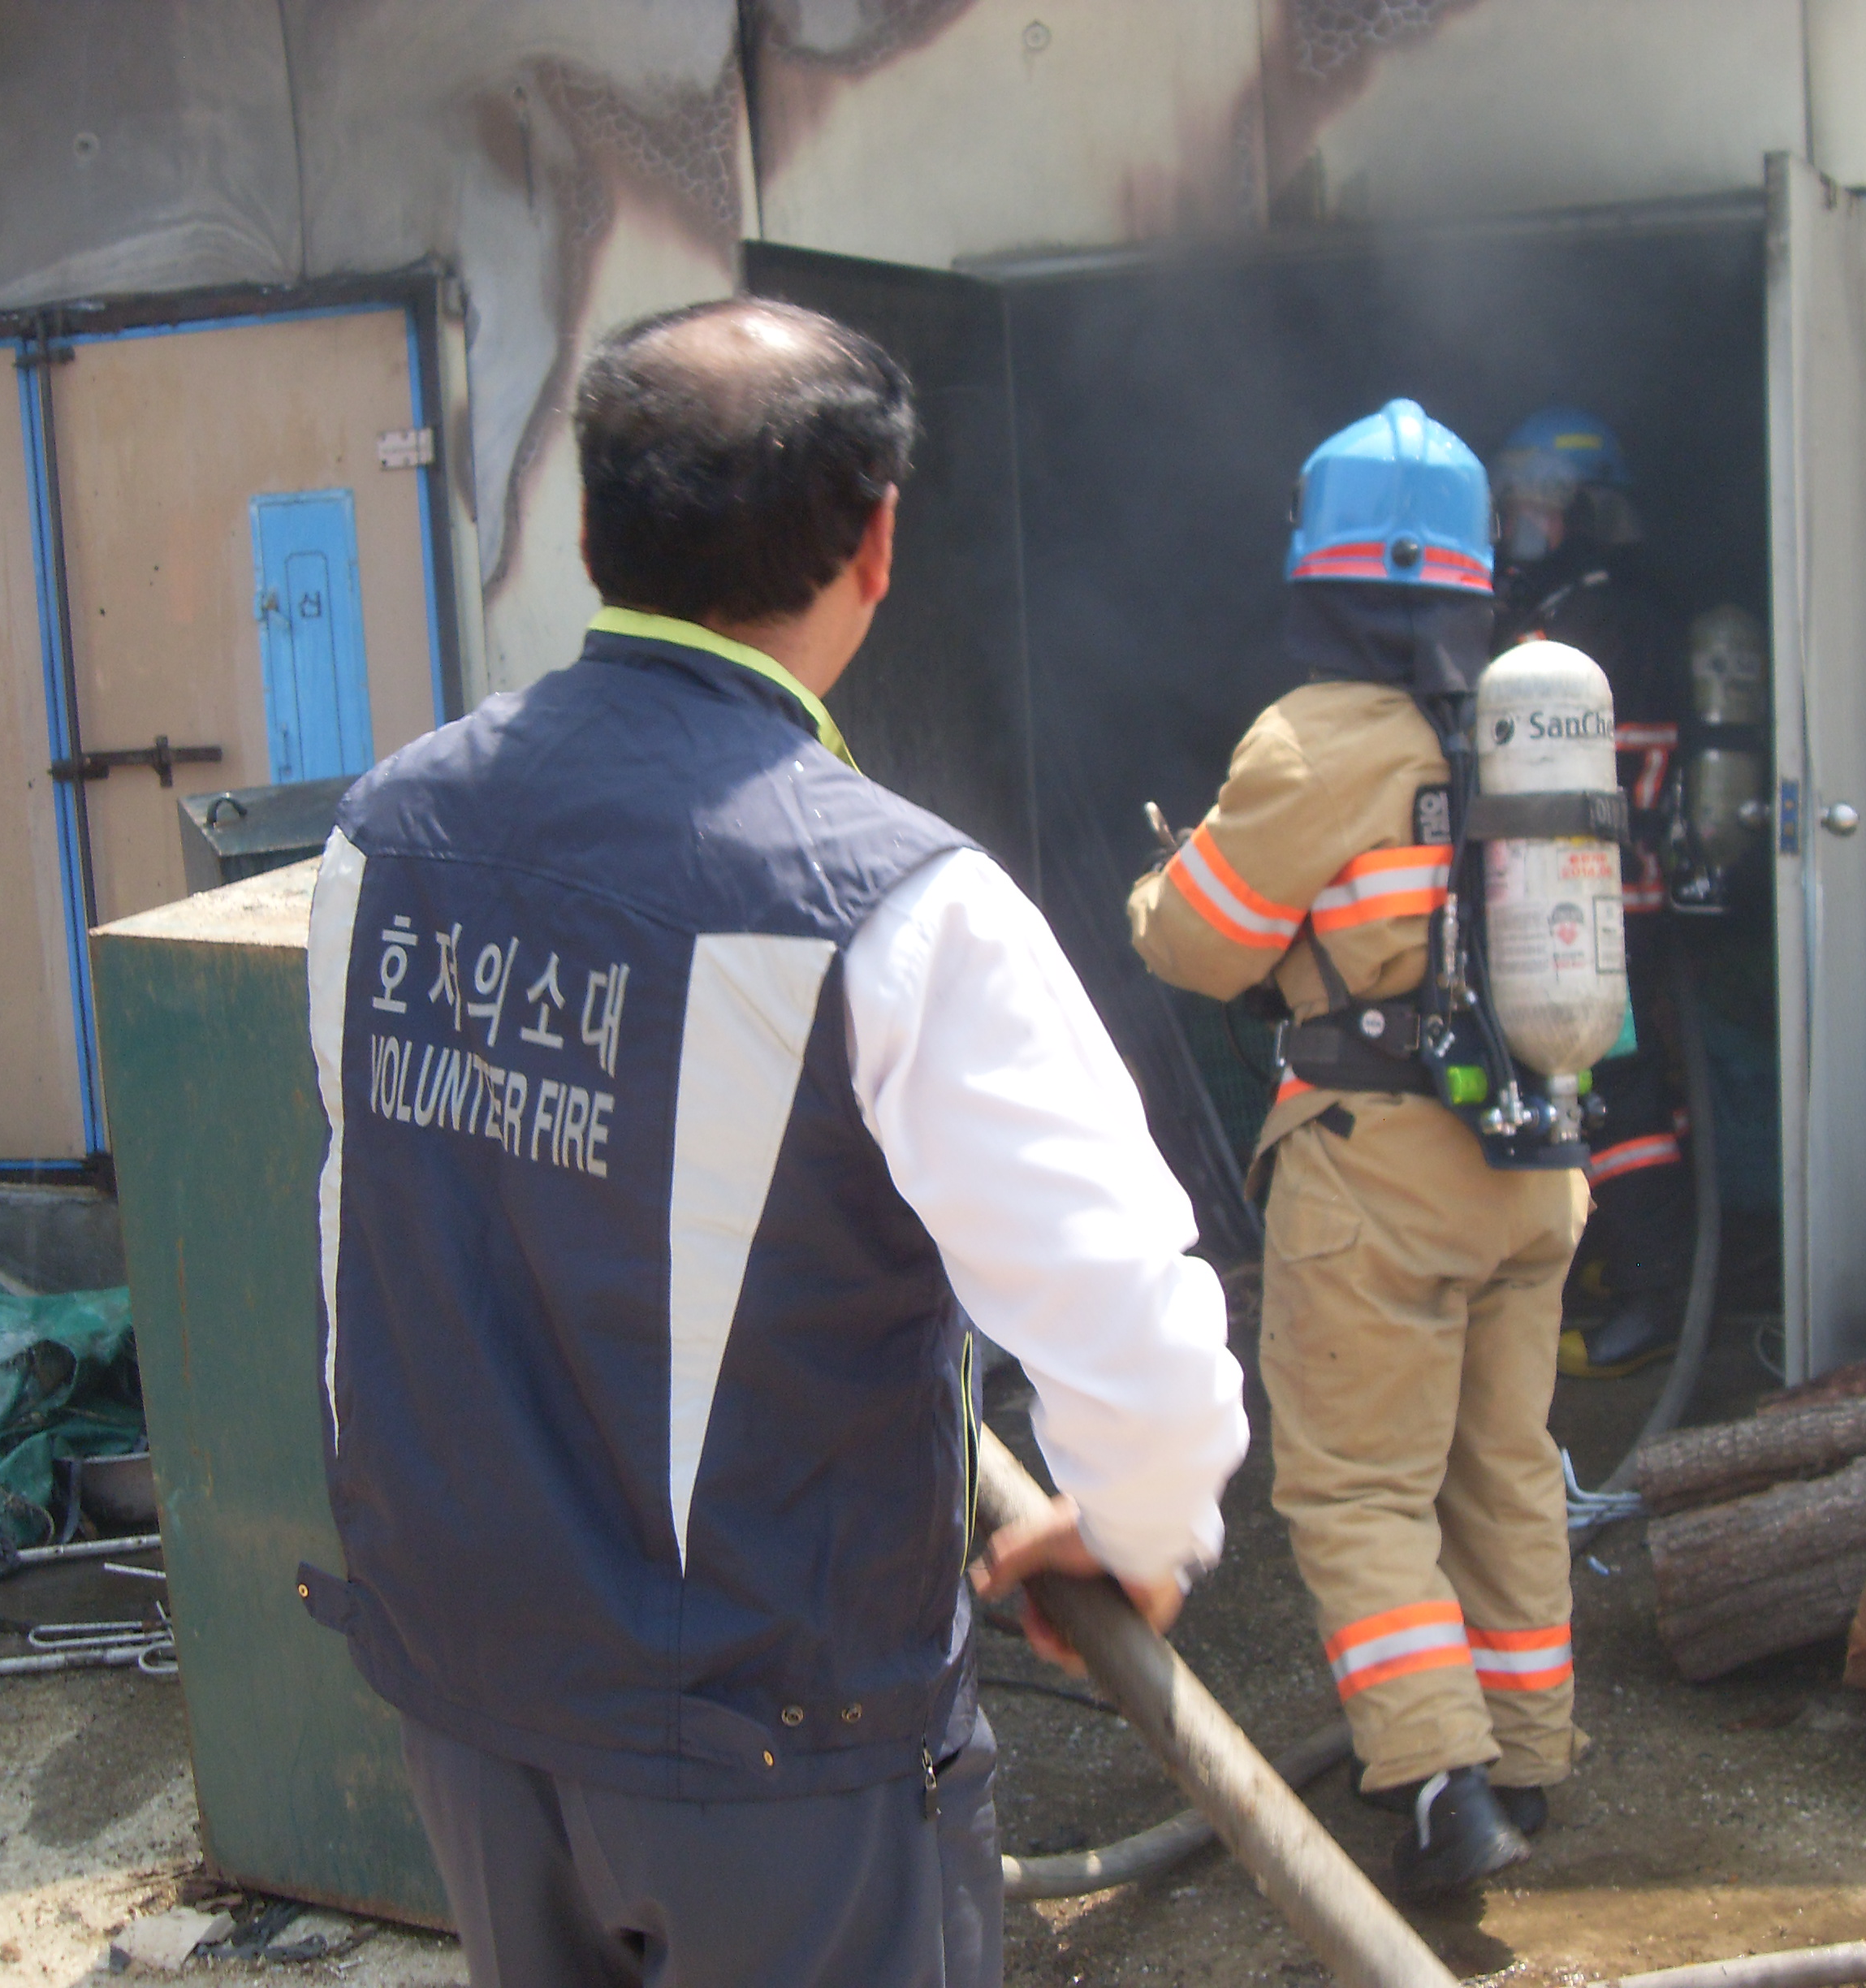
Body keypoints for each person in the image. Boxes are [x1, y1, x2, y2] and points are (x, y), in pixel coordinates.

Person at [301, 297, 1247, 1988]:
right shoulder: (896, 904)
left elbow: (367, 1232)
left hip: (469, 1687)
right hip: (771, 1748)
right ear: (877, 546)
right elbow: (1130, 1322)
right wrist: (1131, 1521)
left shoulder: (382, 836)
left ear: (588, 533)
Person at [1129, 400, 1586, 1898]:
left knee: (1357, 1491)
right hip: (1532, 1161)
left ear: (1314, 571)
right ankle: (1530, 1753)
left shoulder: (1315, 739)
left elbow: (1200, 946)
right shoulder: (1521, 717)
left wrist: (1156, 884)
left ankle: (1443, 1787)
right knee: (1503, 1468)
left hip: (1378, 1169)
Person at [1490, 406, 1693, 1379]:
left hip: (1595, 905)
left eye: (1537, 500)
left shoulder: (1591, 628)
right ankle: (1620, 1267)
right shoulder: (1590, 610)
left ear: (1587, 511)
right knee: (1603, 1087)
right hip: (1586, 900)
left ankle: (1659, 1295)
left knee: (1617, 1094)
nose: (1520, 519)